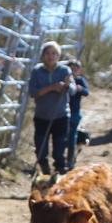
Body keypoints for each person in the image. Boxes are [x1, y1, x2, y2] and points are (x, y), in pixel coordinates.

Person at [28, 41, 76, 177]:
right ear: (43, 55)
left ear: (58, 56)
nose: (51, 56)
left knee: (59, 152)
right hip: (42, 116)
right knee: (41, 151)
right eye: (48, 53)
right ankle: (46, 174)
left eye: (54, 53)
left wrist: (66, 86)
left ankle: (60, 179)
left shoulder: (64, 70)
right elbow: (33, 92)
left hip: (61, 116)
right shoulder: (37, 71)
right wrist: (52, 88)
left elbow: (73, 90)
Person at [65, 59, 90, 169]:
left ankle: (70, 160)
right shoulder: (65, 80)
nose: (73, 71)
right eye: (71, 69)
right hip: (62, 111)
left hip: (75, 112)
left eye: (76, 69)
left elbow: (86, 92)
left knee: (72, 135)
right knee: (62, 135)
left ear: (79, 71)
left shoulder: (80, 80)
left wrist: (80, 89)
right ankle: (62, 158)